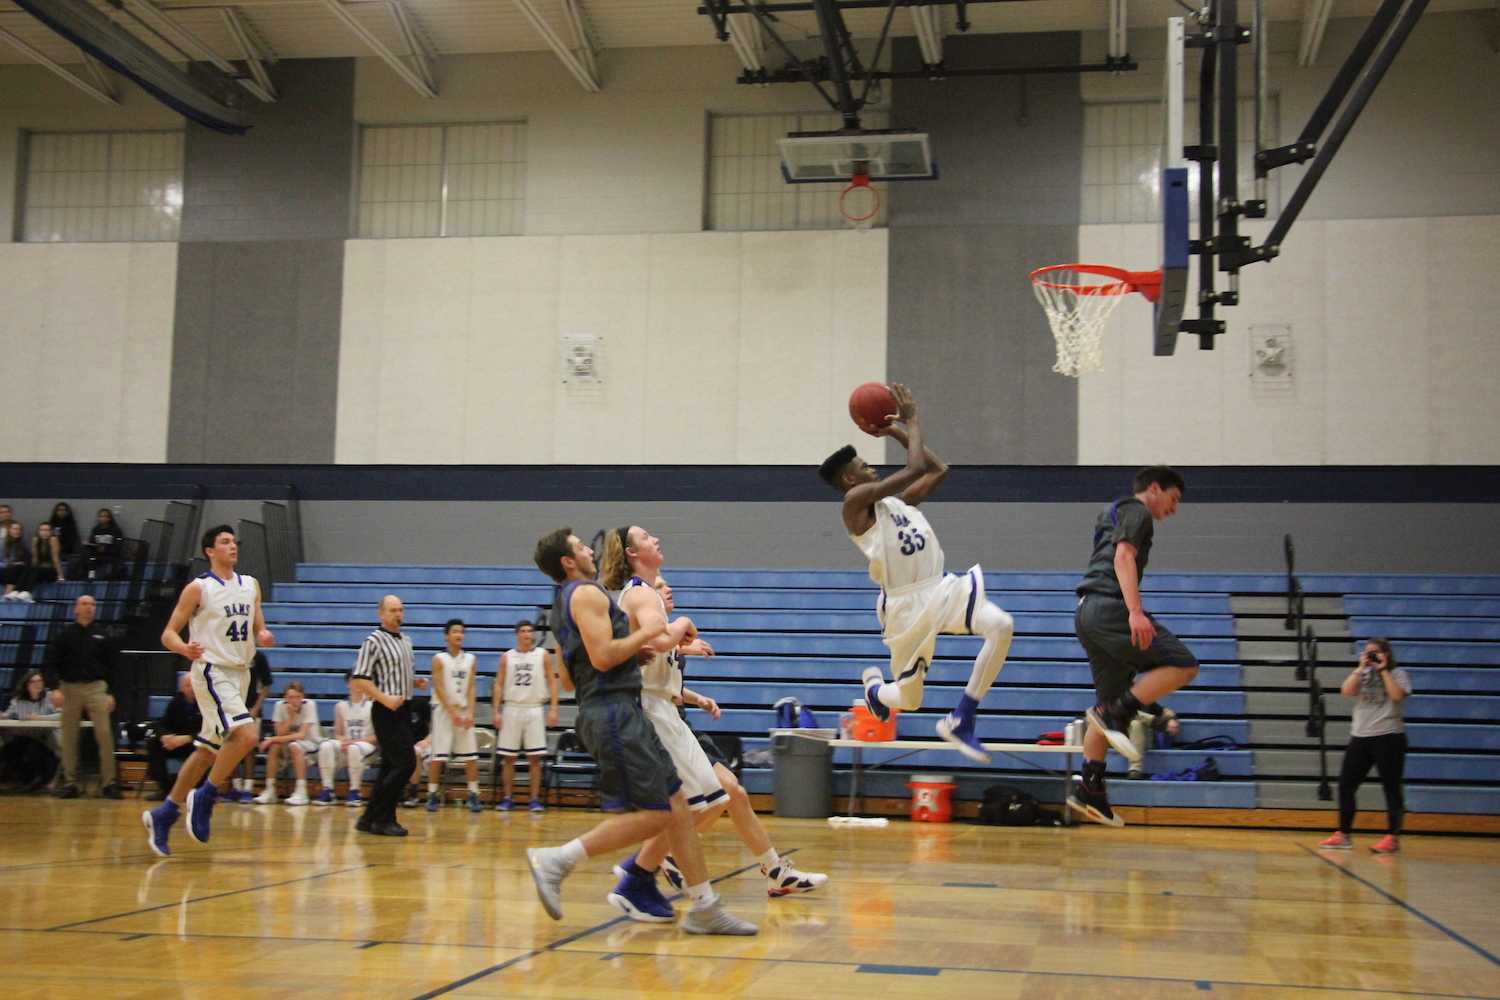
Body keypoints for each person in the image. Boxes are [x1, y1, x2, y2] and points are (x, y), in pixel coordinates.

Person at [524, 527, 756, 935]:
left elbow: (566, 676)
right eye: (580, 548)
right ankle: (558, 859)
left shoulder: (560, 605)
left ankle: (705, 907)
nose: (589, 552)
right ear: (567, 561)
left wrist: (632, 649)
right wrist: (650, 634)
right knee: (656, 813)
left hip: (613, 706)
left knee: (679, 806)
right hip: (613, 711)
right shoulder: (587, 593)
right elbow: (602, 656)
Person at [599, 527, 826, 916]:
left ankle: (645, 872)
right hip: (648, 710)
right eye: (647, 536)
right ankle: (643, 875)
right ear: (633, 552)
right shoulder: (640, 591)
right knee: (696, 801)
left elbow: (651, 647)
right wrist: (682, 626)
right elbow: (657, 638)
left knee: (714, 796)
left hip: (665, 711)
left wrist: (681, 653)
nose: (657, 538)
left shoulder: (644, 594)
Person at [818, 384, 1016, 763]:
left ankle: (963, 718)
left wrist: (894, 431)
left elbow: (938, 469)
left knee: (1001, 626)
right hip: (905, 603)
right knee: (910, 699)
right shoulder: (854, 504)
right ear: (849, 480)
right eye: (865, 467)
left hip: (942, 588)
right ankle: (876, 692)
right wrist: (911, 421)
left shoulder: (898, 503)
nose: (872, 468)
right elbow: (915, 467)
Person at [1068, 466, 1199, 828]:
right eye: (1173, 499)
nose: (1174, 508)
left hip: (1086, 612)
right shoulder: (1137, 511)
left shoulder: (1111, 511)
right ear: (1155, 489)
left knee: (1104, 705)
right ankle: (1119, 713)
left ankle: (1090, 788)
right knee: (1184, 664)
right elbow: (1123, 556)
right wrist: (1135, 611)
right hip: (1110, 607)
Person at [142, 525, 275, 857]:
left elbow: (259, 624)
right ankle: (205, 795)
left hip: (240, 673)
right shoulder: (198, 588)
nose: (233, 546)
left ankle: (165, 813)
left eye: (234, 541)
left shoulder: (250, 585)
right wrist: (184, 648)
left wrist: (263, 635)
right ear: (210, 551)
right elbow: (168, 633)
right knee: (246, 735)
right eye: (224, 542)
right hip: (212, 671)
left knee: (206, 752)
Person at [1320, 639, 1412, 854]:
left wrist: (1384, 671)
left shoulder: (1398, 674)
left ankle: (1392, 837)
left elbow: (1398, 695)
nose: (1371, 656)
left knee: (1391, 788)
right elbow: (1346, 691)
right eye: (1367, 652)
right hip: (1360, 736)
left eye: (1375, 652)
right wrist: (1361, 668)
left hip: (1389, 736)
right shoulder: (1362, 674)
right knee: (1346, 785)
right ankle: (1343, 834)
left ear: (1386, 654)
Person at [350, 595, 428, 837]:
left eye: (401, 610)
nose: (398, 614)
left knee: (389, 766)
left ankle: (369, 817)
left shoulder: (406, 640)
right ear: (381, 614)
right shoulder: (373, 641)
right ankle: (385, 818)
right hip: (385, 711)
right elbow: (360, 678)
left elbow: (397, 673)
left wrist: (414, 682)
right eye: (393, 610)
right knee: (406, 763)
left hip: (403, 708)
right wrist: (384, 698)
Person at [43, 594, 121, 799]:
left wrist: (111, 693)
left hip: (96, 687)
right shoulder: (64, 635)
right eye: (85, 604)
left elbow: (113, 667)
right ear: (76, 609)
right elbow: (50, 663)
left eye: (93, 604)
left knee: (104, 735)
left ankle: (108, 783)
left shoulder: (103, 635)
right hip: (69, 688)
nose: (89, 607)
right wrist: (54, 688)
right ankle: (71, 783)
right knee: (69, 737)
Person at [493, 619, 559, 812]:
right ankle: (507, 798)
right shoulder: (507, 657)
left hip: (534, 708)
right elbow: (498, 683)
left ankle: (535, 799)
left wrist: (554, 708)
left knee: (535, 758)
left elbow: (553, 682)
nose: (527, 634)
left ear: (534, 634)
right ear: (517, 634)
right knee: (508, 758)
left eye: (530, 631)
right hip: (512, 707)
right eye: (522, 631)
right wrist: (496, 710)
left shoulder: (542, 655)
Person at [428, 619, 482, 813]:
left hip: (463, 710)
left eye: (461, 631)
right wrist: (451, 712)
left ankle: (474, 794)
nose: (459, 635)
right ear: (446, 635)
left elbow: (471, 686)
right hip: (443, 711)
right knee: (438, 755)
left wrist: (469, 712)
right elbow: (439, 687)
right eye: (455, 631)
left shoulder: (471, 659)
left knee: (471, 756)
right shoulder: (438, 659)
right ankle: (432, 793)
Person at [253, 681, 322, 806]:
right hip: (289, 743)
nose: (294, 700)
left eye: (297, 697)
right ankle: (270, 790)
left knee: (293, 745)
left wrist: (272, 739)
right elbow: (279, 733)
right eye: (290, 697)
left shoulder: (310, 705)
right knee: (275, 746)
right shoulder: (279, 706)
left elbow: (301, 735)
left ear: (302, 697)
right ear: (285, 698)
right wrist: (290, 718)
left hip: (311, 744)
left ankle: (302, 791)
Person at [315, 672, 377, 807]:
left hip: (367, 745)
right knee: (326, 745)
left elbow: (377, 737)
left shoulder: (373, 705)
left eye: (361, 681)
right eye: (354, 681)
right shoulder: (340, 706)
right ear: (348, 684)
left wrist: (352, 742)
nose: (357, 684)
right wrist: (344, 740)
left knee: (354, 748)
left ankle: (355, 791)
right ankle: (328, 789)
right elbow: (338, 733)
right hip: (349, 744)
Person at [0, 669, 61, 790]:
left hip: (45, 742)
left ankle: (36, 781)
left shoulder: (49, 698)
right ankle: (19, 780)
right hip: (24, 739)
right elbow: (9, 714)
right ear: (26, 684)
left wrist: (40, 718)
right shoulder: (18, 701)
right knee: (10, 749)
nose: (38, 684)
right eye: (34, 681)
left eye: (40, 681)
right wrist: (3, 716)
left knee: (31, 748)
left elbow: (61, 715)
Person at [145, 672, 202, 800]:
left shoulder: (206, 704)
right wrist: (165, 736)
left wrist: (187, 738)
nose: (192, 689)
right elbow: (161, 724)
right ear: (182, 688)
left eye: (194, 685)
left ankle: (198, 791)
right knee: (153, 743)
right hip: (175, 743)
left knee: (206, 747)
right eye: (188, 686)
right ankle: (165, 788)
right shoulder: (176, 702)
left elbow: (209, 732)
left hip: (195, 744)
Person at [228, 651, 274, 802]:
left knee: (249, 747)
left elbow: (266, 685)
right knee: (230, 744)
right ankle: (235, 786)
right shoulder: (229, 652)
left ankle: (248, 788)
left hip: (251, 708)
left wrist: (255, 708)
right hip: (231, 707)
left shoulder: (258, 657)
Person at [1, 521, 35, 601]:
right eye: (15, 529)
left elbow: (28, 560)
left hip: (15, 571)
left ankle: (13, 594)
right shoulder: (2, 543)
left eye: (19, 529)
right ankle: (23, 592)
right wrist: (10, 564)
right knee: (19, 568)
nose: (17, 531)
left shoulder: (23, 544)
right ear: (9, 530)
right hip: (3, 570)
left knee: (27, 567)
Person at [48, 502, 81, 577]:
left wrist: (61, 549)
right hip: (51, 552)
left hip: (66, 553)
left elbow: (72, 541)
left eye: (64, 510)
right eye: (59, 510)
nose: (61, 512)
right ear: (56, 511)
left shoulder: (71, 525)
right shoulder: (52, 524)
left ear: (67, 512)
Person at [32, 522, 63, 586]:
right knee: (28, 571)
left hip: (51, 570)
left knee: (36, 572)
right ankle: (22, 592)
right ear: (38, 531)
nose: (44, 532)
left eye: (47, 530)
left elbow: (56, 559)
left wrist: (60, 576)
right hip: (39, 569)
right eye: (42, 530)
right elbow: (35, 558)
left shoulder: (53, 540)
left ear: (51, 532)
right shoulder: (35, 540)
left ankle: (25, 592)